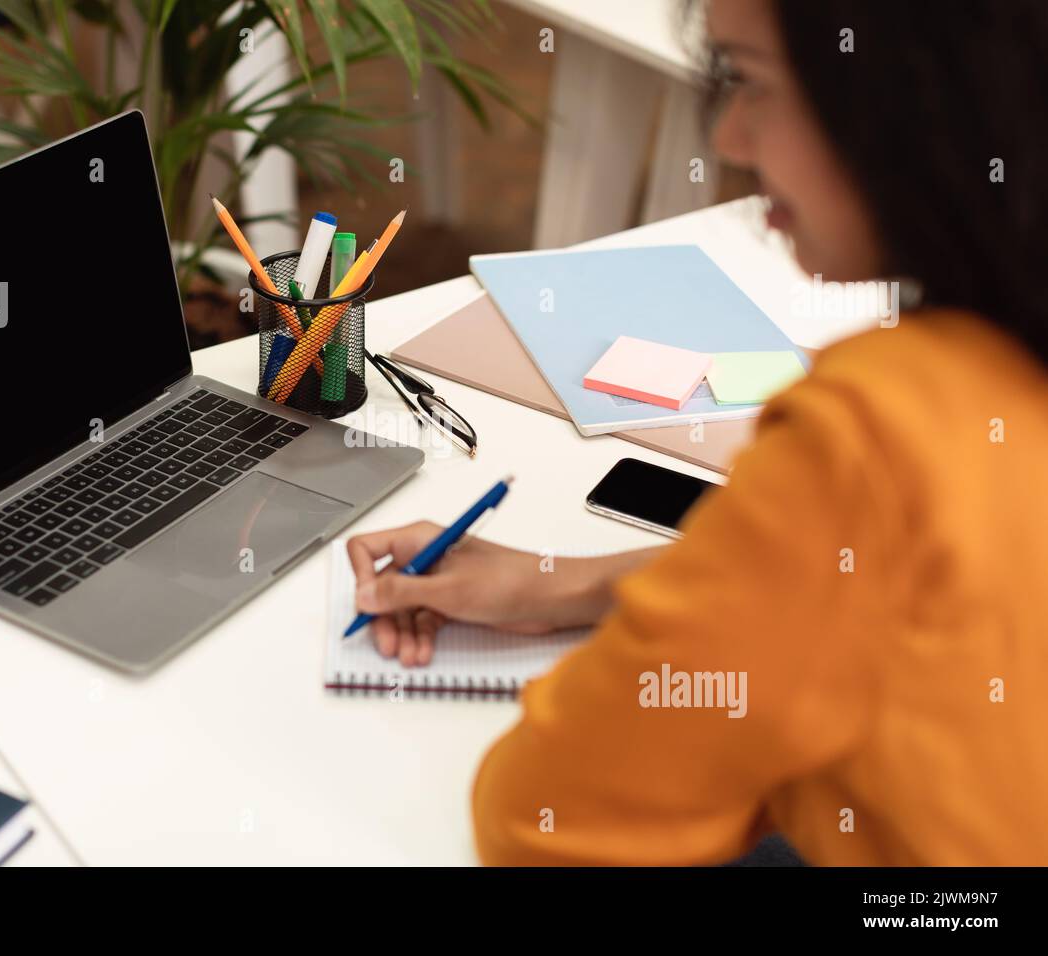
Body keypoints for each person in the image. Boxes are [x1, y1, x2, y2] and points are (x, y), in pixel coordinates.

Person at [345, 0, 1048, 865]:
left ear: (913, 91)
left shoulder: (874, 432)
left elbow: (541, 819)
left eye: (749, 81)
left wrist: (648, 652)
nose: (729, 141)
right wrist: (572, 585)